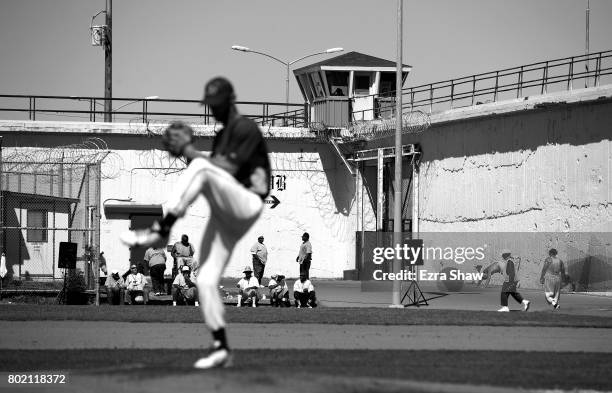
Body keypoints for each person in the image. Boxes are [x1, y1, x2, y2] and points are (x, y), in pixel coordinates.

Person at [120, 77, 270, 369]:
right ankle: (221, 347)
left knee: (200, 165)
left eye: (215, 105)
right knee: (204, 280)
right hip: (227, 209)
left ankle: (162, 228)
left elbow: (232, 169)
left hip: (248, 199)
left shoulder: (245, 128)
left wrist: (191, 153)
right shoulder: (222, 135)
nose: (211, 110)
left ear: (229, 101)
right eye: (209, 105)